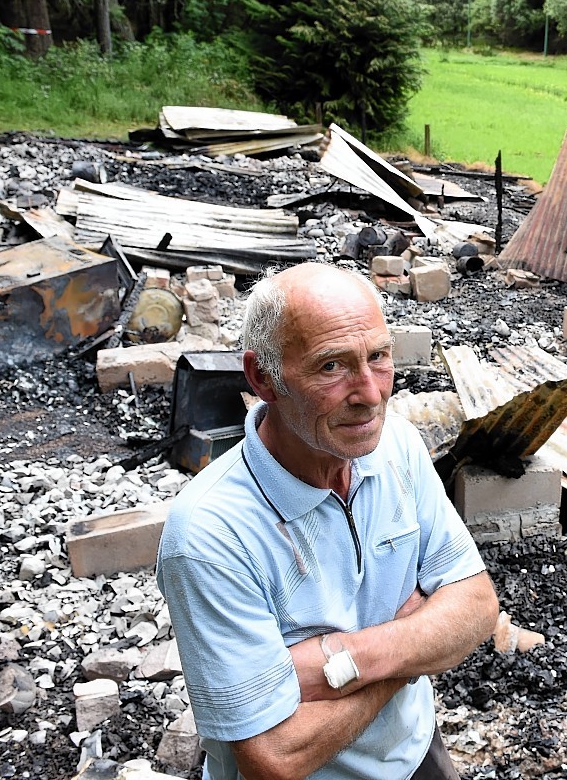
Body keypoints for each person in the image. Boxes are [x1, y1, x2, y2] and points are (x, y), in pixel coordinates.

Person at [157, 262, 498, 780]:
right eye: (331, 367)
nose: (370, 394)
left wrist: (338, 660)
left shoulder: (399, 448)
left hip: (413, 753)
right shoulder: (208, 535)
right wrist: (413, 644)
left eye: (379, 357)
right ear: (262, 378)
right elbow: (273, 758)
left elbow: (476, 607)